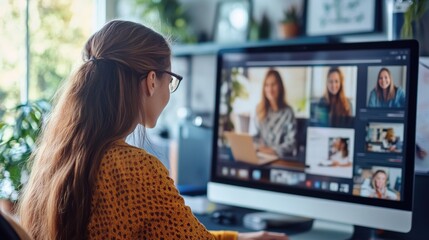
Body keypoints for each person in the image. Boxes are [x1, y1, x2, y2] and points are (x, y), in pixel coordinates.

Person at [17, 20, 288, 240]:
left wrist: (240, 238)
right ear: (150, 81)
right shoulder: (134, 168)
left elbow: (178, 234)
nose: (169, 93)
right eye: (170, 81)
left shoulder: (60, 156)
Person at [255, 69, 297, 158]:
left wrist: (271, 150)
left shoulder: (288, 112)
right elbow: (255, 136)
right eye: (266, 85)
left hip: (279, 159)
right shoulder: (259, 110)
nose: (270, 89)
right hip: (260, 156)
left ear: (280, 87)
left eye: (273, 84)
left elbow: (291, 144)